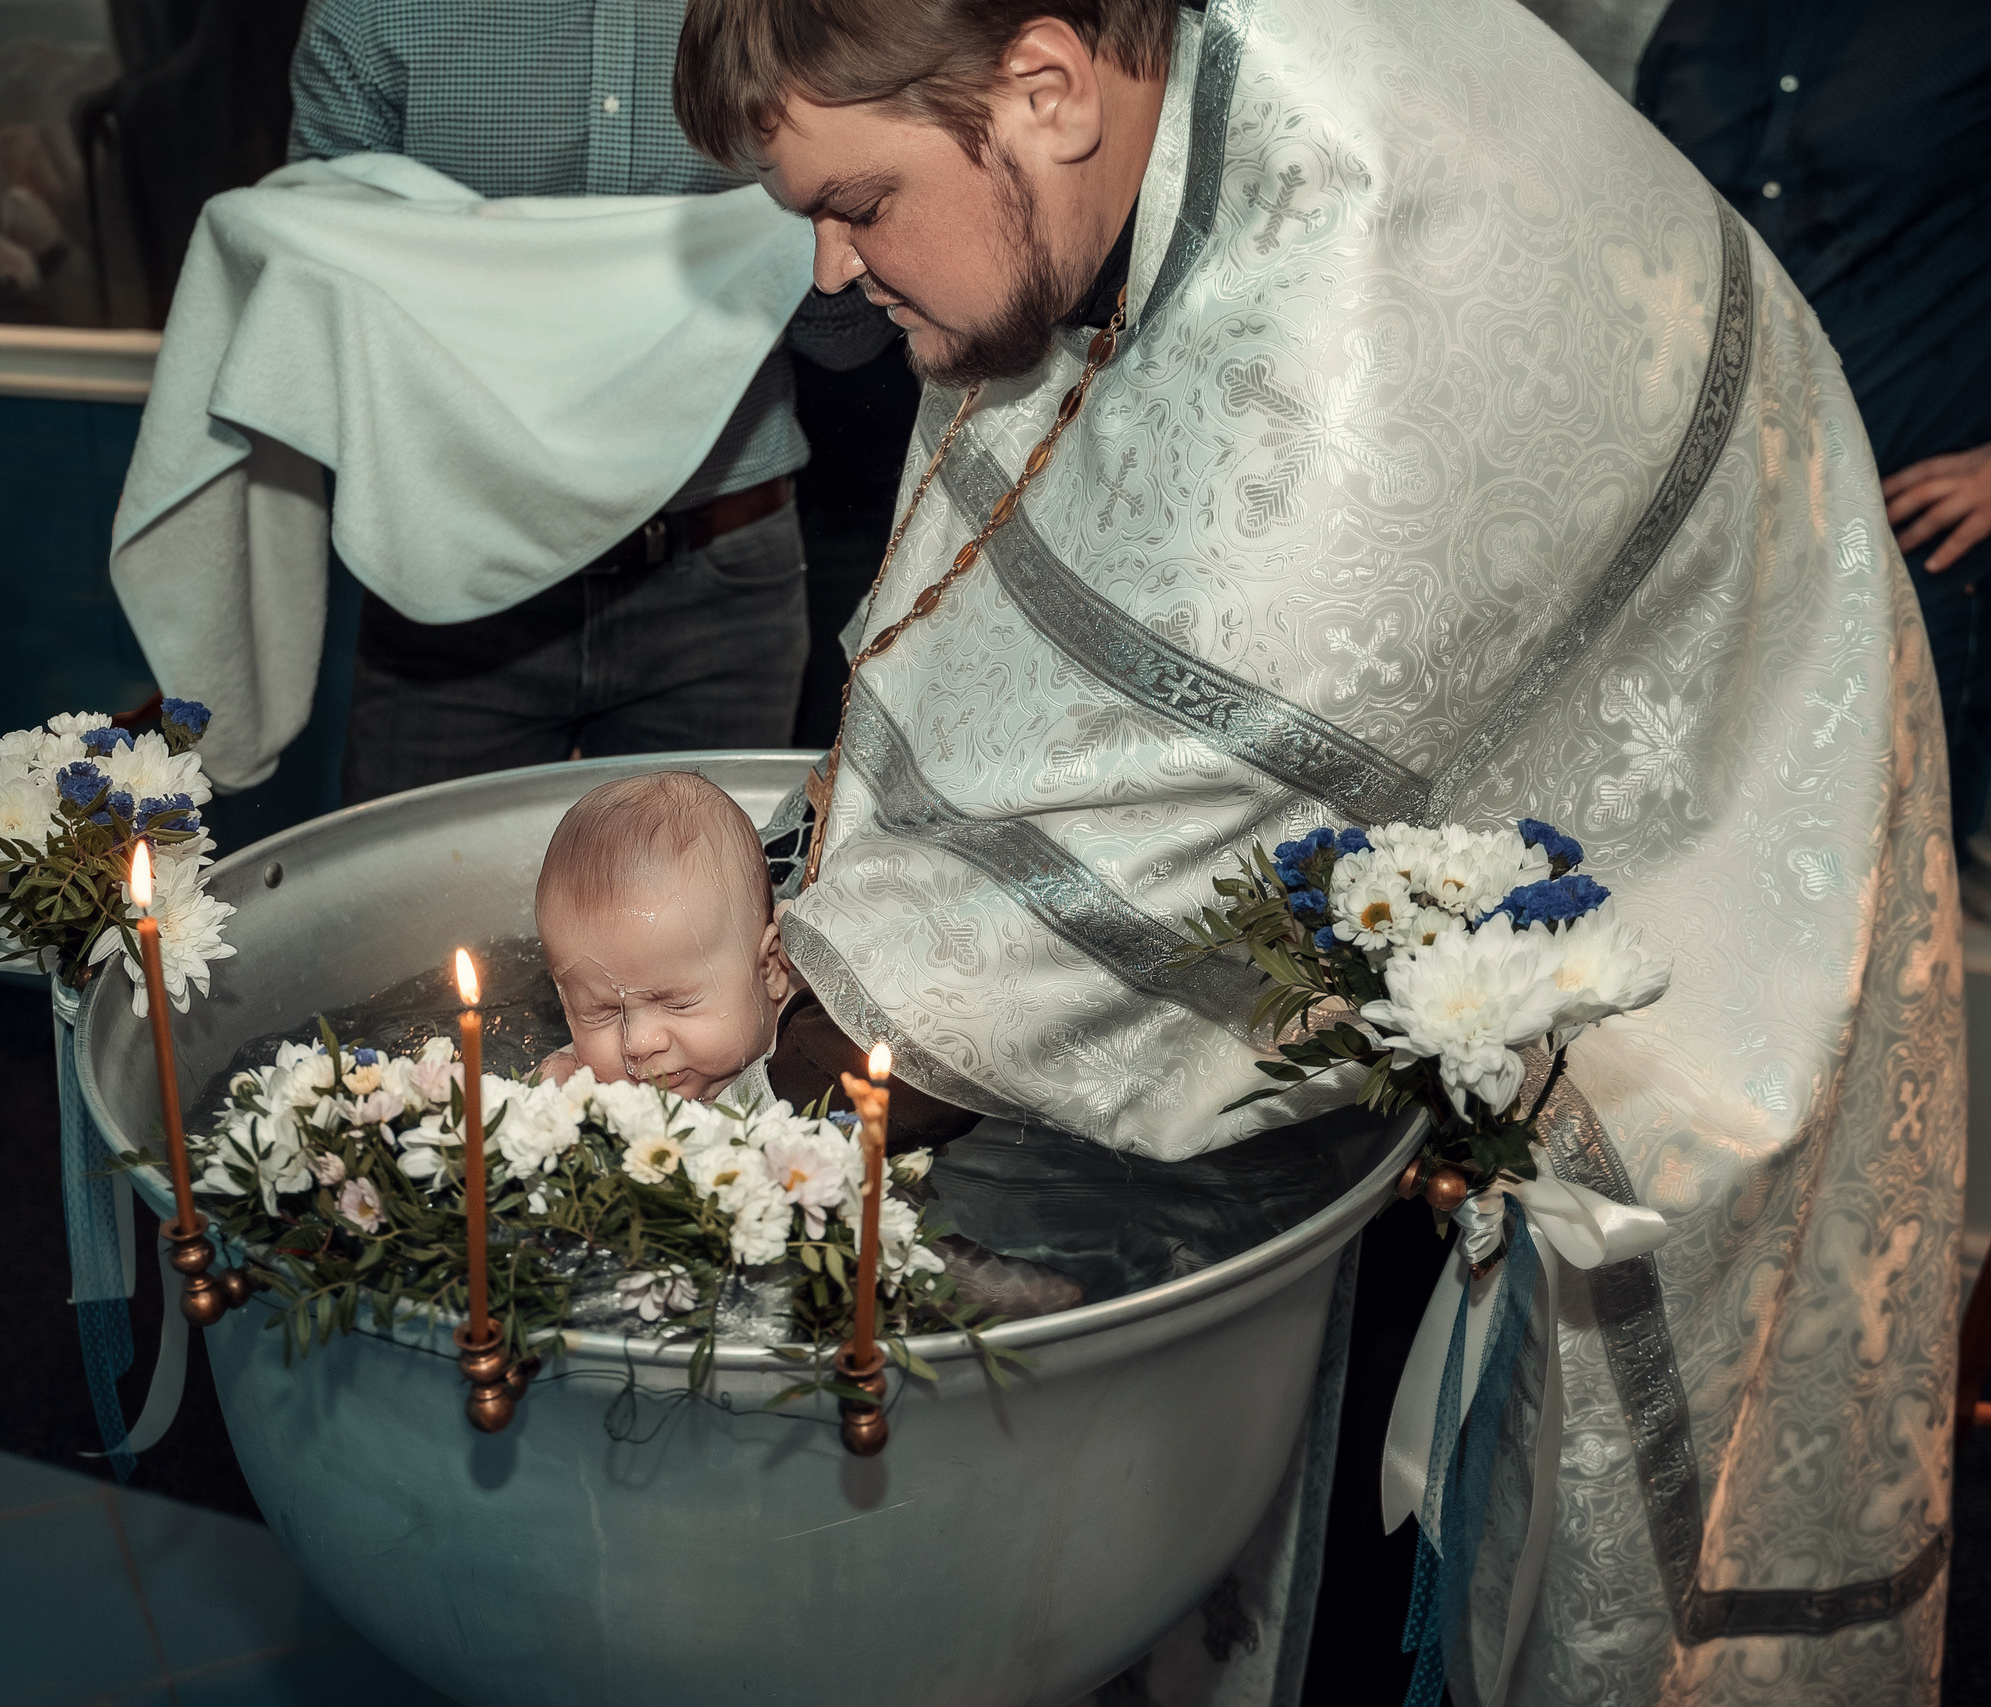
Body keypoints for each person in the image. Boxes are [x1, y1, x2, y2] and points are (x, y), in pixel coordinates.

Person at [672, 1, 1957, 1703]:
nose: (832, 274)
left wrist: (707, 1120)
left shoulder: (1369, 305)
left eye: (857, 202)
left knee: (1471, 1547)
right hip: (1439, 807)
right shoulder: (1127, 131)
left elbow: (1145, 837)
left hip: (1684, 872)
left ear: (1045, 87)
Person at [286, 0, 896, 804]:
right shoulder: (373, 12)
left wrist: (800, 232)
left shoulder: (796, 8)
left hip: (721, 578)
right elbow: (309, 291)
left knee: (715, 921)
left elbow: (846, 342)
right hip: (452, 580)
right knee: (416, 915)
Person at [1625, 0, 1991, 913]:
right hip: (1700, 527)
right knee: (1681, 900)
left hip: (1900, 540)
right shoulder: (1701, 23)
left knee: (1866, 901)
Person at [535, 770, 794, 1105]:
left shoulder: (814, 1051)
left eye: (676, 1003)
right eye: (603, 1012)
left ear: (770, 968)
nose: (638, 1043)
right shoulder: (596, 1071)